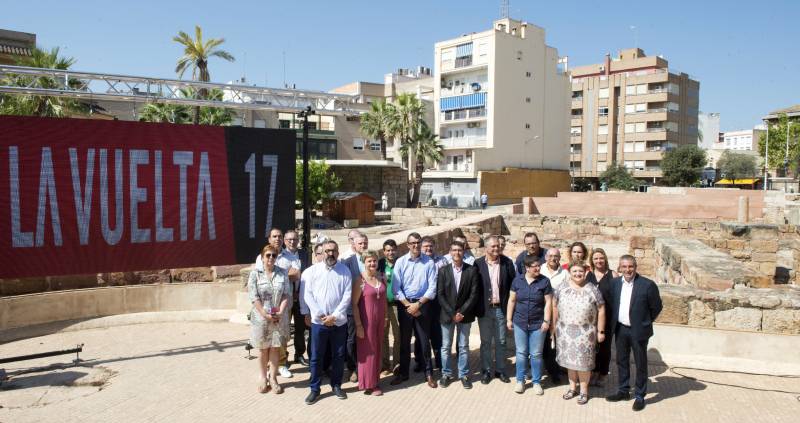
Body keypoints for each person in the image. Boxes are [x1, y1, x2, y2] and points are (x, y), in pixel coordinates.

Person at [606, 255, 663, 411]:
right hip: (620, 329)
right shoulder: (615, 283)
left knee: (640, 363)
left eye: (630, 266)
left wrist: (644, 321)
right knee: (621, 360)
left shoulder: (647, 285)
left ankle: (639, 395)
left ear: (635, 267)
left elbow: (656, 307)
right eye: (624, 267)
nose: (627, 270)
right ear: (620, 268)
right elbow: (612, 303)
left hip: (638, 330)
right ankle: (623, 390)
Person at [301, 240, 352, 405]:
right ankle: (315, 389)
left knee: (338, 356)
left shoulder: (345, 271)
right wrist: (321, 315)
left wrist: (335, 316)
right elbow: (307, 295)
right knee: (316, 357)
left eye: (334, 251)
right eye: (327, 251)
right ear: (322, 253)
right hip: (318, 322)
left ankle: (336, 385)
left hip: (338, 323)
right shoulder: (312, 272)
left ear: (338, 252)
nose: (331, 254)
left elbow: (347, 297)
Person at [552, 261, 606, 405]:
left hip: (586, 334)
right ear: (569, 272)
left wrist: (601, 331)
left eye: (580, 271)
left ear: (586, 272)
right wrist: (554, 327)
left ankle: (583, 391)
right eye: (574, 271)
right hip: (564, 333)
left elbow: (601, 310)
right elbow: (554, 306)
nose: (577, 274)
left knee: (583, 364)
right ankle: (572, 388)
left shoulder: (592, 289)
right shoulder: (561, 288)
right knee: (570, 363)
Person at [390, 232, 439, 389]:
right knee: (404, 342)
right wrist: (408, 305)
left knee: (424, 342)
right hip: (405, 306)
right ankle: (404, 373)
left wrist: (418, 304)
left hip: (423, 305)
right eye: (413, 243)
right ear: (408, 245)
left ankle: (428, 374)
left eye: (418, 242)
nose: (416, 245)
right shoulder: (401, 262)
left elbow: (432, 288)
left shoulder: (429, 263)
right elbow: (396, 288)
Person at [248, 245, 291, 394]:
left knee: (275, 347)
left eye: (274, 255)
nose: (271, 258)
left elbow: (286, 294)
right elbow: (253, 297)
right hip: (261, 318)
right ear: (262, 257)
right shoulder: (255, 274)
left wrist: (281, 311)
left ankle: (273, 378)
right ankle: (262, 377)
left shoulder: (282, 273)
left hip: (278, 317)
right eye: (268, 255)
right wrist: (264, 313)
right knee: (263, 348)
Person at [253, 228, 296, 379]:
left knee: (280, 339)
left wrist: (284, 273)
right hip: (264, 308)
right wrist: (284, 272)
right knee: (265, 342)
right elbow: (258, 280)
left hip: (281, 306)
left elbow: (297, 273)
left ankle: (281, 366)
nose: (277, 239)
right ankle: (265, 370)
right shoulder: (260, 258)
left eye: (280, 236)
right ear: (269, 238)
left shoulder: (288, 255)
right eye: (274, 236)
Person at [437, 241, 480, 389]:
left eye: (460, 250)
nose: (457, 253)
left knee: (463, 346)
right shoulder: (443, 271)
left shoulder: (471, 270)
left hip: (465, 315)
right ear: (450, 252)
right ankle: (446, 374)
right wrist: (452, 313)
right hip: (447, 315)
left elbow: (474, 294)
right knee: (446, 346)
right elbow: (440, 294)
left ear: (464, 252)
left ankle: (464, 374)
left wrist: (461, 312)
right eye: (454, 250)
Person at [506, 256, 552, 395]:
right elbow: (512, 300)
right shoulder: (517, 280)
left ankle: (537, 381)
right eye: (535, 266)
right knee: (521, 353)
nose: (538, 268)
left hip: (538, 324)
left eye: (539, 266)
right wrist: (509, 319)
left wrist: (546, 321)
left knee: (536, 354)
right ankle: (520, 381)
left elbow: (548, 303)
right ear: (527, 268)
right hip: (520, 322)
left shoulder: (544, 281)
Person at [475, 235, 516, 385]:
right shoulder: (478, 263)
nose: (496, 248)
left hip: (501, 309)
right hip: (485, 310)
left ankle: (500, 370)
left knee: (501, 341)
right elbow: (475, 288)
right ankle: (486, 371)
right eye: (493, 246)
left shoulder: (507, 263)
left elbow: (513, 286)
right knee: (485, 342)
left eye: (498, 246)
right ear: (486, 247)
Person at [352, 250, 387, 396]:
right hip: (366, 322)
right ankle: (368, 384)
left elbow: (384, 301)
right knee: (368, 351)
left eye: (374, 261)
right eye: (369, 261)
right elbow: (354, 304)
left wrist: (385, 318)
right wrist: (358, 325)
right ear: (364, 262)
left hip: (379, 320)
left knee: (378, 348)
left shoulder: (381, 277)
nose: (372, 263)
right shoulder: (360, 280)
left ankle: (375, 380)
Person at [586, 247, 618, 387]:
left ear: (605, 259)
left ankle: (603, 374)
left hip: (608, 316)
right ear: (592, 261)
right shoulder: (588, 275)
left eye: (601, 258)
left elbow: (618, 297)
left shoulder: (613, 275)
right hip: (590, 317)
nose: (599, 260)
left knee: (604, 347)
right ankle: (593, 372)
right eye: (596, 258)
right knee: (591, 346)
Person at [343, 233, 369, 382]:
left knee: (367, 337)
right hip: (352, 307)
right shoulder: (347, 262)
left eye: (365, 243)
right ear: (354, 245)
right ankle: (353, 368)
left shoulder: (373, 260)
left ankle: (367, 366)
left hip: (368, 305)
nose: (363, 246)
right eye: (360, 244)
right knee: (352, 339)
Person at [539, 248, 568, 384]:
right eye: (550, 256)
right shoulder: (539, 269)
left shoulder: (565, 273)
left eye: (556, 256)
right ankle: (545, 369)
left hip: (560, 312)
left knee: (556, 342)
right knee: (542, 342)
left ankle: (555, 371)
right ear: (546, 257)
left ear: (560, 257)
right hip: (541, 310)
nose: (553, 258)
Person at [419, 236, 447, 372]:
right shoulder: (418, 261)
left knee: (437, 332)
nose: (428, 249)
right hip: (423, 301)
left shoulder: (442, 261)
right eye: (425, 246)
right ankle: (421, 362)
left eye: (430, 246)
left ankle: (440, 362)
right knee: (422, 333)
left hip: (437, 301)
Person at [379, 239, 400, 375]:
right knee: (383, 335)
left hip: (397, 305)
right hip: (382, 304)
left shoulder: (401, 263)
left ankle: (397, 365)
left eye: (392, 250)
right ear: (384, 251)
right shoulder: (379, 264)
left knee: (398, 335)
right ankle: (385, 365)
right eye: (388, 250)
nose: (390, 252)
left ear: (396, 250)